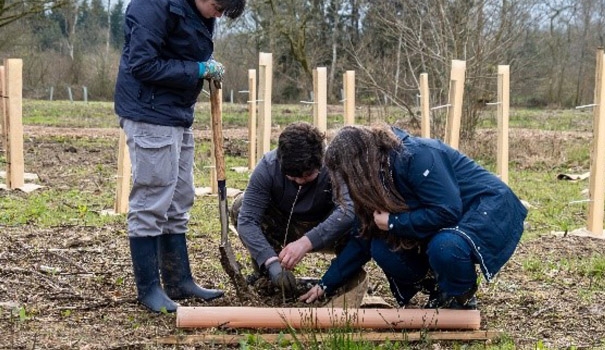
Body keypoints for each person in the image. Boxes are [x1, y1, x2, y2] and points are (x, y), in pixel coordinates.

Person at [300, 124, 527, 309]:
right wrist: (326, 284)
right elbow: (362, 238)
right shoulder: (375, 179)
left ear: (360, 164)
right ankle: (438, 286)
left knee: (445, 247)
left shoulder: (417, 156)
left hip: (484, 206)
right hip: (447, 218)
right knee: (380, 246)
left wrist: (392, 222)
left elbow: (447, 211)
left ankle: (461, 295)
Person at [114, 0, 246, 313]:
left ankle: (179, 280)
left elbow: (182, 46)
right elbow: (142, 64)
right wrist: (197, 69)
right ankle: (149, 289)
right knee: (152, 196)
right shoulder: (152, 7)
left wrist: (206, 62)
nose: (219, 15)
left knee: (180, 195)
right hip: (149, 110)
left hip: (175, 111)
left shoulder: (196, 9)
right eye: (218, 7)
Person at [231, 122, 356, 296]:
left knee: (360, 216)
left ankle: (346, 275)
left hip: (328, 227)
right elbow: (247, 221)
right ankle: (270, 276)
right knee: (239, 206)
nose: (300, 182)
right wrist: (271, 261)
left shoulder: (335, 163)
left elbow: (348, 210)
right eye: (292, 177)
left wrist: (306, 242)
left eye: (307, 176)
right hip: (285, 225)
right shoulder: (267, 167)